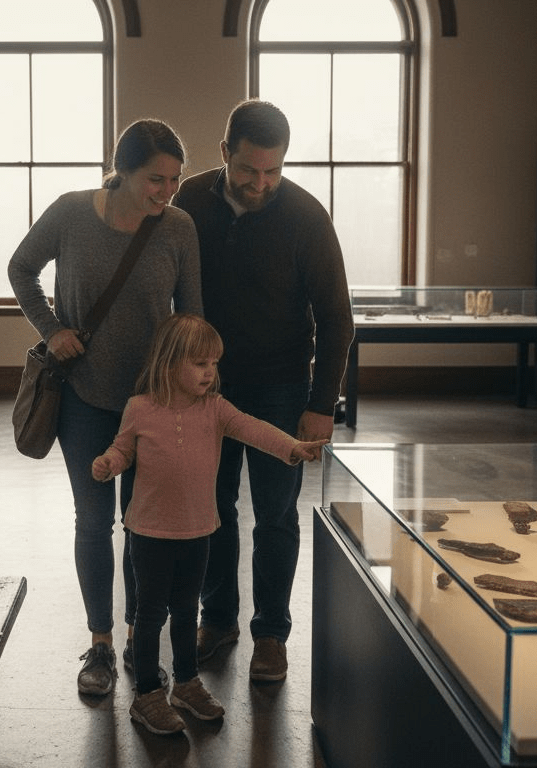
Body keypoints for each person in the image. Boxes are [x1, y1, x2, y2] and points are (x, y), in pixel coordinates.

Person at [9, 119, 203, 697]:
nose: (165, 192)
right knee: (94, 521)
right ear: (122, 170)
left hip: (153, 403)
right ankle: (98, 645)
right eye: (154, 179)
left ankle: (139, 637)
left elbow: (192, 312)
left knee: (144, 529)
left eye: (174, 180)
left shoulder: (179, 226)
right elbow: (22, 268)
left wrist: (192, 385)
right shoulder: (70, 212)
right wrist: (51, 329)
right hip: (85, 398)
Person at [172, 100, 354, 682]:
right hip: (207, 385)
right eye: (249, 170)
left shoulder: (305, 215)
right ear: (225, 152)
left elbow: (336, 316)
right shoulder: (191, 202)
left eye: (273, 171)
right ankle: (218, 617)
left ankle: (271, 634)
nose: (261, 183)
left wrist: (322, 403)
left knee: (276, 514)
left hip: (281, 386)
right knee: (213, 509)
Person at [92, 314, 326, 734]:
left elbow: (254, 429)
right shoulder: (140, 408)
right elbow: (122, 448)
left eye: (214, 364)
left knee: (186, 612)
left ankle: (185, 684)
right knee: (149, 616)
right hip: (148, 533)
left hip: (198, 530)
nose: (210, 372)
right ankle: (146, 695)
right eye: (200, 363)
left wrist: (292, 447)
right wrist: (110, 463)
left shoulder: (215, 409)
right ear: (168, 364)